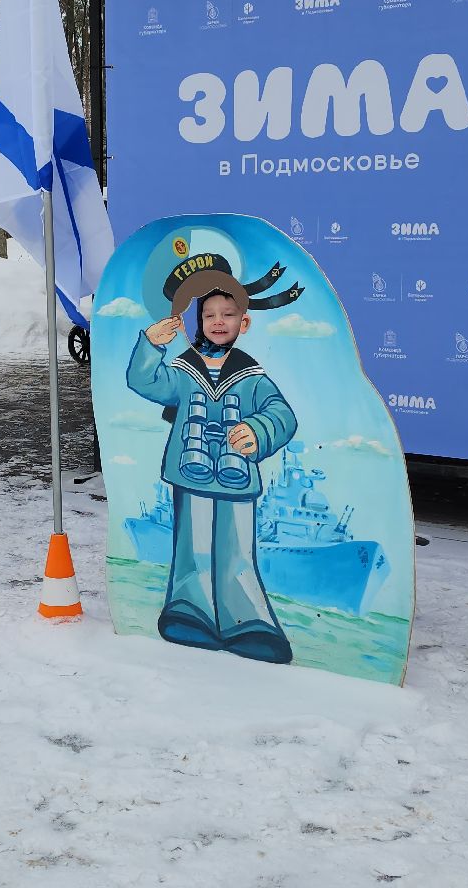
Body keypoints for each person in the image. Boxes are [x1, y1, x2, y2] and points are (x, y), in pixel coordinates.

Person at [129, 253, 298, 665]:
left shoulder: (254, 376)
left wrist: (257, 431)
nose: (218, 321)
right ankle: (190, 610)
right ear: (196, 322)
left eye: (228, 314)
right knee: (193, 544)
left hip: (237, 480)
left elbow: (283, 415)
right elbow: (143, 380)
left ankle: (248, 620)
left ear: (245, 322)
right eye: (209, 315)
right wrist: (152, 344)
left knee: (236, 549)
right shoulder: (184, 372)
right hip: (191, 474)